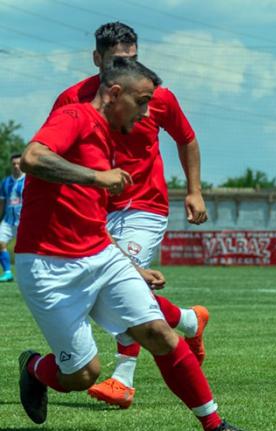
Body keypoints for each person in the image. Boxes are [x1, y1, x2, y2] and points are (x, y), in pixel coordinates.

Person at [15, 57, 251, 431]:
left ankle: (215, 426)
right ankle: (34, 369)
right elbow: (33, 158)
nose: (145, 114)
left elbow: (91, 216)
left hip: (101, 256)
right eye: (141, 103)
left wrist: (131, 266)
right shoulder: (74, 116)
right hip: (48, 266)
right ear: (114, 93)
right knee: (83, 374)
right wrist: (96, 177)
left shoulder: (110, 137)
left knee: (158, 332)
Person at [50, 22, 209, 409]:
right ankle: (188, 320)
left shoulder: (156, 97)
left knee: (125, 281)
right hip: (95, 210)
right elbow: (55, 151)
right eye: (118, 60)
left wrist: (194, 191)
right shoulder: (72, 98)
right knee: (102, 290)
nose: (128, 67)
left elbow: (186, 138)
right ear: (97, 59)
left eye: (133, 59)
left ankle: (123, 378)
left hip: (144, 206)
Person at [0, 153, 25, 282]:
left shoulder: (28, 181)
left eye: (18, 163)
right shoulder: (5, 182)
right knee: (0, 242)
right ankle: (8, 273)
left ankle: (28, 273)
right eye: (14, 164)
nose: (16, 166)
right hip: (8, 220)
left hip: (24, 221)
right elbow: (2, 203)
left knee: (26, 249)